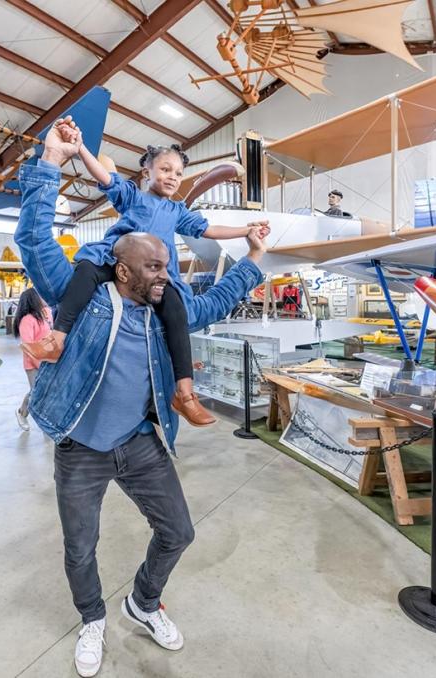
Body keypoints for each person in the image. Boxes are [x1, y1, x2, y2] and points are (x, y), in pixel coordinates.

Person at [14, 117, 269, 678]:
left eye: (168, 264)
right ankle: (91, 619)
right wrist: (51, 163)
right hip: (80, 447)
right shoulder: (85, 290)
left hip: (140, 442)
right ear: (123, 267)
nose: (166, 275)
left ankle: (143, 601)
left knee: (178, 530)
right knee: (81, 547)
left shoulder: (165, 311)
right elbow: (33, 239)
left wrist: (251, 256)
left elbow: (219, 297)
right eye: (155, 266)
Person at [22, 118, 268, 428]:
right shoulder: (134, 198)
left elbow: (209, 232)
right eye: (165, 169)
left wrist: (249, 234)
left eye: (178, 173)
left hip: (156, 286)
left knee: (177, 312)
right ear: (146, 172)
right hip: (111, 257)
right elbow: (104, 177)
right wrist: (77, 148)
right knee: (85, 271)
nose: (172, 177)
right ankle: (56, 338)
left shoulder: (177, 212)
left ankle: (185, 392)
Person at [13, 288, 52, 431]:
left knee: (47, 391)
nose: (43, 298)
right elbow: (28, 346)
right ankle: (22, 413)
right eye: (40, 296)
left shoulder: (46, 313)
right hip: (33, 364)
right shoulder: (27, 321)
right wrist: (38, 363)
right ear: (33, 300)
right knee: (36, 392)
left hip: (48, 360)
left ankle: (46, 421)